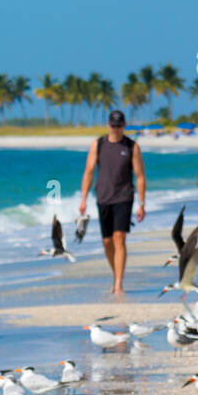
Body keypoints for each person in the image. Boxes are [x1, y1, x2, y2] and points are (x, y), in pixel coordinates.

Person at [79, 110, 146, 295]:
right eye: (113, 125)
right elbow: (89, 171)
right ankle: (116, 273)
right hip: (103, 197)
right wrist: (83, 198)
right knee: (107, 241)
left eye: (119, 125)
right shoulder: (98, 145)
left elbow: (140, 176)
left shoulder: (132, 147)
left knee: (119, 238)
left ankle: (118, 284)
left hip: (124, 197)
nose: (116, 129)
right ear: (109, 125)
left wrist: (141, 203)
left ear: (124, 126)